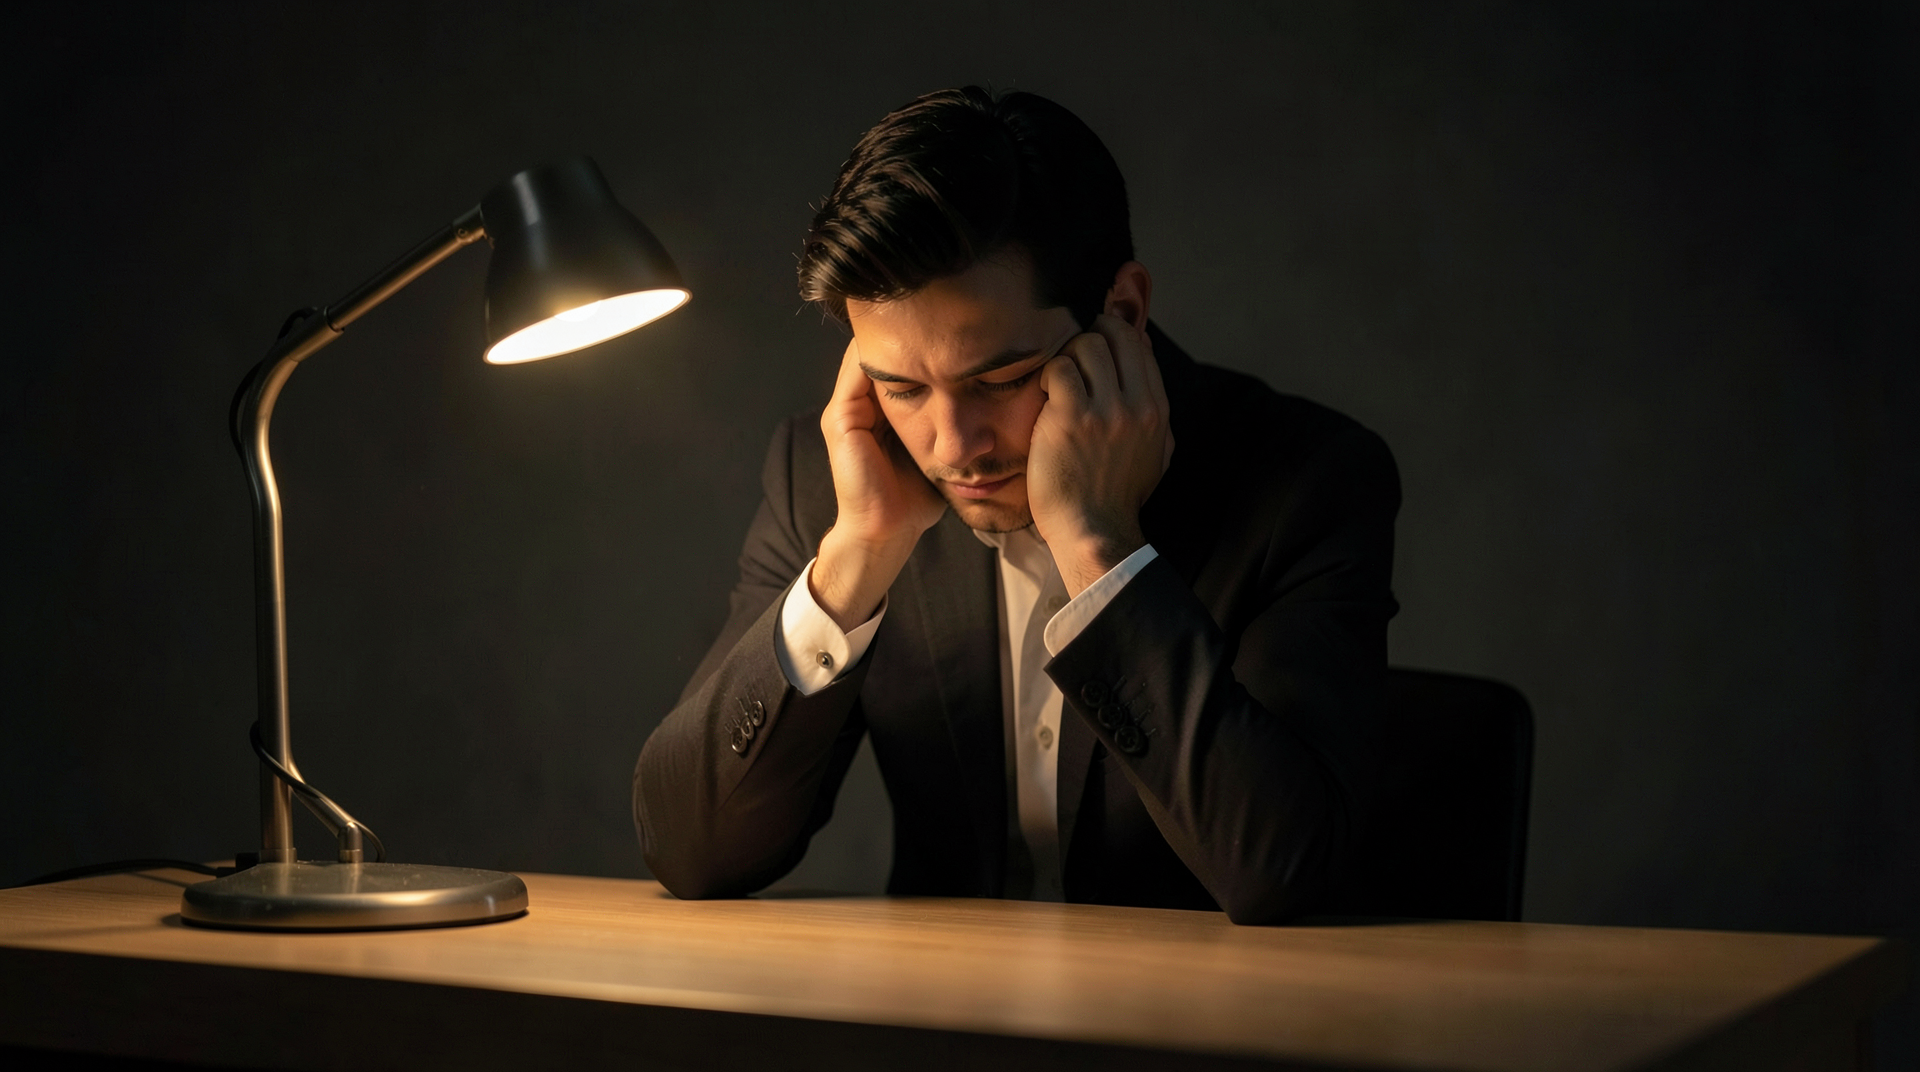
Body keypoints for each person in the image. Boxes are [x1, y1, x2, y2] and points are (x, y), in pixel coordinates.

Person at [633, 86, 1399, 925]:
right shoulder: (836, 482)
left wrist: (1098, 545)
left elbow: (1284, 871)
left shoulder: (1310, 479)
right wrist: (855, 558)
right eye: (900, 387)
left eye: (997, 381)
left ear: (1123, 313)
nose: (952, 444)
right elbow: (688, 849)